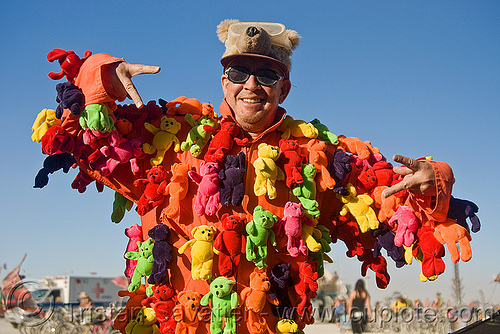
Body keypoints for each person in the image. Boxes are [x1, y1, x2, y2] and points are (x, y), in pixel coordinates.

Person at [39, 19, 460, 334]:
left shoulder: (322, 157)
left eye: (267, 74)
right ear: (224, 81)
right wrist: (102, 80)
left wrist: (434, 181)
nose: (251, 85)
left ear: (284, 88)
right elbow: (77, 133)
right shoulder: (173, 134)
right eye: (239, 73)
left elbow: (395, 207)